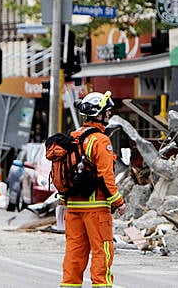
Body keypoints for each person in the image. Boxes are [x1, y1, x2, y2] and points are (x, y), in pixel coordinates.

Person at [60, 90, 126, 288]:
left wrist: (65, 199)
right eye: (107, 111)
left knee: (74, 251)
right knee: (102, 251)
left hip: (73, 207)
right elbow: (107, 176)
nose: (109, 114)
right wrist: (118, 202)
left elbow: (63, 173)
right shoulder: (100, 141)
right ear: (99, 113)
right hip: (96, 209)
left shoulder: (73, 137)